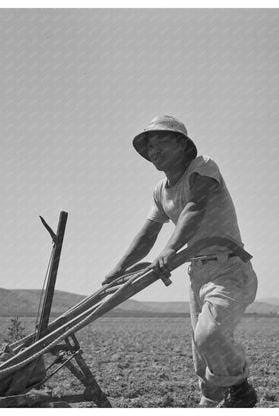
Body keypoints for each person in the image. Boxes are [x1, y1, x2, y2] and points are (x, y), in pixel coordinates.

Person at [102, 115, 259, 408]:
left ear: (183, 146)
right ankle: (209, 404)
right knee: (202, 356)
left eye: (161, 141)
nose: (153, 150)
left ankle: (240, 388)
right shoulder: (161, 190)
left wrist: (169, 249)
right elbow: (148, 232)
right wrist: (119, 268)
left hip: (228, 268)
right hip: (196, 272)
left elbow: (194, 208)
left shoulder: (203, 167)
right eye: (149, 145)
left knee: (210, 335)